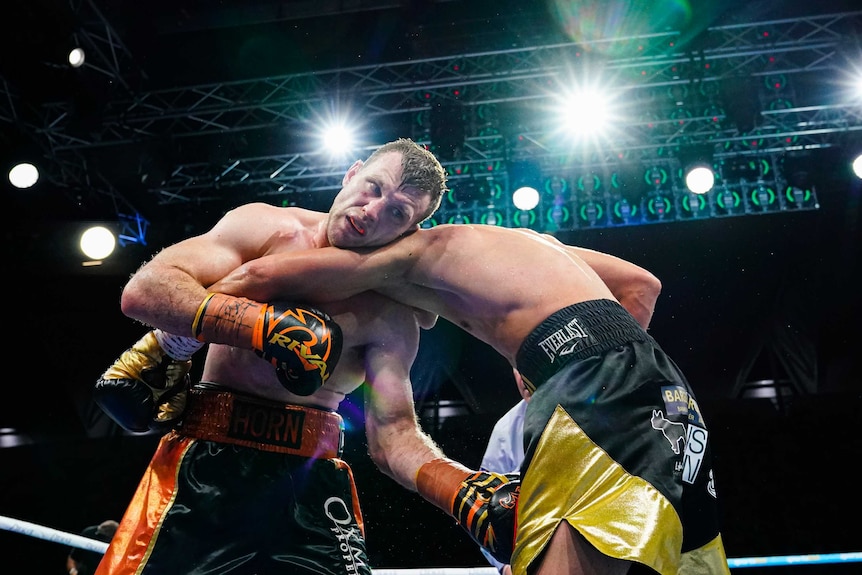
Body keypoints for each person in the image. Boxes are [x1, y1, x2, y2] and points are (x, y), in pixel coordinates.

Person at [205, 224, 732, 575]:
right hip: (668, 393)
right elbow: (642, 286)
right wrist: (586, 363)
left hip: (593, 396)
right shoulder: (530, 239)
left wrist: (171, 338)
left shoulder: (412, 252)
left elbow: (257, 277)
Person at [92, 138, 453, 575]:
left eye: (397, 212)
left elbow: (394, 433)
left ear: (409, 231)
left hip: (310, 486)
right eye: (374, 187)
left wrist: (463, 491)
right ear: (352, 173)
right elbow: (144, 291)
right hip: (205, 467)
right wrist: (261, 327)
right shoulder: (265, 228)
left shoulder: (392, 314)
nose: (373, 210)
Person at [478, 369, 530, 575]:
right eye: (517, 367)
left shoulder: (589, 412)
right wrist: (505, 566)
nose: (523, 376)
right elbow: (483, 509)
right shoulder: (506, 429)